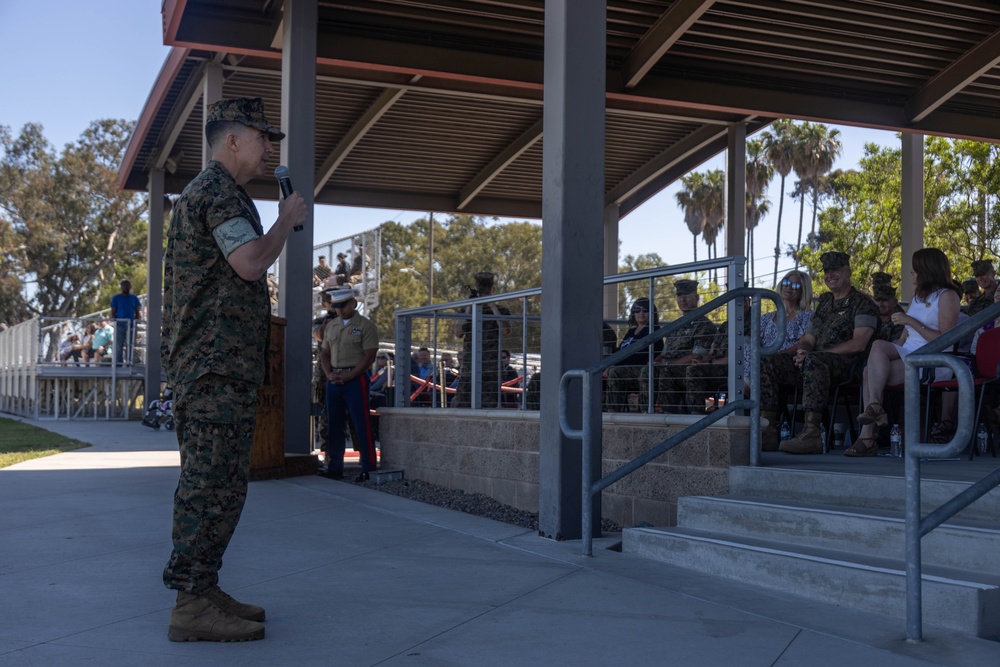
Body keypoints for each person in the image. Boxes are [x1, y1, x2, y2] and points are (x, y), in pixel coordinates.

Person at [160, 96, 308, 643]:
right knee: (209, 485)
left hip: (219, 367)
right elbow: (247, 264)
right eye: (263, 136)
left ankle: (204, 588)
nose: (270, 147)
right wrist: (284, 222)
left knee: (221, 485)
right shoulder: (217, 192)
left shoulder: (220, 194)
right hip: (212, 369)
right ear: (233, 140)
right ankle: (191, 604)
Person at [759, 251, 879, 454]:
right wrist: (802, 352)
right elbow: (808, 338)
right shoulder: (825, 304)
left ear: (848, 272)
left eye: (836, 271)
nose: (830, 275)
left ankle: (812, 434)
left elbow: (859, 343)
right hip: (815, 363)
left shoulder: (862, 303)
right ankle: (768, 431)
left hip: (848, 365)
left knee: (814, 360)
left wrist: (814, 354)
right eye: (827, 271)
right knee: (768, 362)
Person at [847, 248, 961, 456]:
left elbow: (945, 338)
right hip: (909, 353)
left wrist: (910, 320)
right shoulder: (917, 296)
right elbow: (905, 337)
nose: (911, 272)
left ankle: (867, 436)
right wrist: (897, 346)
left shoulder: (948, 296)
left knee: (867, 373)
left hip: (933, 360)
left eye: (915, 268)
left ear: (928, 269)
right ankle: (874, 408)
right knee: (878, 348)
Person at [320, 287, 379, 482]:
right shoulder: (331, 326)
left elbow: (369, 355)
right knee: (334, 425)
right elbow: (325, 352)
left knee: (361, 422)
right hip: (334, 379)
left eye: (342, 306)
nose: (339, 311)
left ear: (352, 303)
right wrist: (329, 373)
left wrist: (350, 375)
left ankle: (368, 466)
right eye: (336, 307)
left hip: (355, 378)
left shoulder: (365, 326)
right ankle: (335, 466)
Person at [641, 279, 717, 414]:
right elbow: (664, 353)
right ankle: (646, 414)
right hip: (669, 366)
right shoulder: (676, 325)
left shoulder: (704, 325)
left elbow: (696, 356)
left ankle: (669, 415)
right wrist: (656, 362)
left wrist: (668, 364)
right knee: (647, 370)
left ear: (697, 298)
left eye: (687, 295)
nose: (683, 299)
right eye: (679, 296)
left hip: (687, 369)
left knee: (665, 372)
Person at [453, 272, 512, 408]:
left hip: (491, 368)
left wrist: (492, 306)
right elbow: (458, 332)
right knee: (461, 404)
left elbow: (506, 331)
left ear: (493, 291)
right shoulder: (467, 310)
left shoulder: (501, 310)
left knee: (489, 406)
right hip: (470, 366)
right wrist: (470, 305)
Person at [743, 270, 814, 382]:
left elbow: (803, 343)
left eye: (795, 285)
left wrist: (774, 354)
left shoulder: (807, 316)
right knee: (745, 342)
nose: (788, 287)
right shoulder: (766, 317)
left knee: (762, 362)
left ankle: (747, 388)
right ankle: (747, 384)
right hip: (760, 359)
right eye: (786, 282)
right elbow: (755, 342)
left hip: (786, 361)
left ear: (802, 291)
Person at [606, 297, 663, 412]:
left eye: (645, 310)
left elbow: (638, 354)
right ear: (633, 313)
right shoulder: (632, 331)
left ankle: (614, 411)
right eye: (637, 310)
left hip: (642, 368)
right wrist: (607, 364)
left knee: (614, 372)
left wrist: (614, 365)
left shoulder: (653, 330)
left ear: (652, 313)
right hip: (625, 367)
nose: (641, 313)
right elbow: (620, 351)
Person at [110, 279, 142, 364]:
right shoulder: (116, 298)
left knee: (130, 345)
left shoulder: (134, 298)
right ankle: (118, 364)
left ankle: (129, 363)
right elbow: (113, 311)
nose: (125, 287)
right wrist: (115, 322)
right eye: (124, 285)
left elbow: (137, 311)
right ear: (121, 287)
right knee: (119, 346)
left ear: (130, 287)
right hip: (119, 325)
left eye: (127, 285)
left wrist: (136, 321)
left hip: (131, 325)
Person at [871, 272, 905, 344]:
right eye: (877, 300)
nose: (880, 304)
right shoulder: (870, 313)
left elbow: (897, 346)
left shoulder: (898, 316)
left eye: (884, 300)